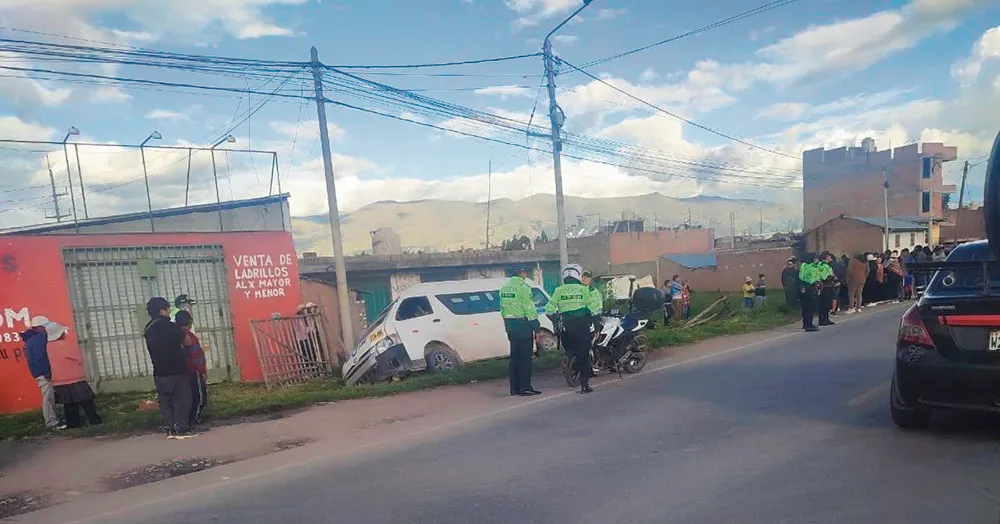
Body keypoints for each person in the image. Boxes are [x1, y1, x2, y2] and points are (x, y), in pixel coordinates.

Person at [145, 297, 196, 439]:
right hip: (177, 368)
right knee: (181, 399)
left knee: (165, 400)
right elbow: (188, 342)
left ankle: (169, 428)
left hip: (159, 370)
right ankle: (181, 427)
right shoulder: (171, 327)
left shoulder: (149, 328)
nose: (168, 312)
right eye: (167, 309)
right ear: (162, 310)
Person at [546, 264, 602, 394]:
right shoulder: (583, 290)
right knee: (583, 355)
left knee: (571, 349)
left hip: (566, 328)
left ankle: (568, 357)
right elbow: (594, 310)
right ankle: (585, 385)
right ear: (578, 275)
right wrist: (597, 326)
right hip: (582, 327)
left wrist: (556, 319)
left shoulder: (558, 290)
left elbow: (549, 310)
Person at [500, 266, 542, 397]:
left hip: (510, 326)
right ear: (521, 273)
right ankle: (525, 388)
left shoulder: (503, 289)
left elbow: (502, 309)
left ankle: (515, 389)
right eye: (524, 272)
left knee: (515, 358)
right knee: (525, 358)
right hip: (523, 325)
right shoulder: (524, 288)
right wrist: (537, 328)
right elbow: (529, 309)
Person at [22, 316, 67, 430]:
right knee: (48, 397)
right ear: (41, 327)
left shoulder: (32, 338)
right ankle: (51, 422)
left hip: (40, 372)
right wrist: (46, 372)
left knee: (50, 396)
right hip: (43, 373)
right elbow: (40, 358)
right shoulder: (38, 339)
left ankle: (54, 419)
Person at [51, 331, 102, 429]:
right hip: (75, 377)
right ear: (60, 334)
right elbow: (80, 359)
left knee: (69, 403)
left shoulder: (47, 347)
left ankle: (73, 424)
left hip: (58, 380)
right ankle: (94, 420)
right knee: (86, 400)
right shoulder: (66, 345)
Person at [175, 310, 208, 426]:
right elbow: (196, 356)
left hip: (181, 372)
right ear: (189, 322)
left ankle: (186, 419)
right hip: (194, 370)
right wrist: (202, 371)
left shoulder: (175, 334)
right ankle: (194, 419)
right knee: (199, 397)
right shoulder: (189, 336)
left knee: (187, 396)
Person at [798, 254, 824, 332]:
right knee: (810, 307)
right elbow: (814, 277)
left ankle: (806, 323)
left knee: (806, 307)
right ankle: (809, 325)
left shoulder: (803, 265)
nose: (817, 260)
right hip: (811, 287)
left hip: (805, 287)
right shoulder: (812, 267)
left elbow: (801, 277)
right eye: (815, 258)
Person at [818, 252, 837, 326]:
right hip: (824, 286)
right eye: (829, 256)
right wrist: (832, 277)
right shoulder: (822, 265)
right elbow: (823, 277)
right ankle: (822, 320)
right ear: (826, 257)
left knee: (827, 304)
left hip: (829, 286)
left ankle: (826, 319)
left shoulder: (827, 265)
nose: (830, 257)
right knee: (823, 303)